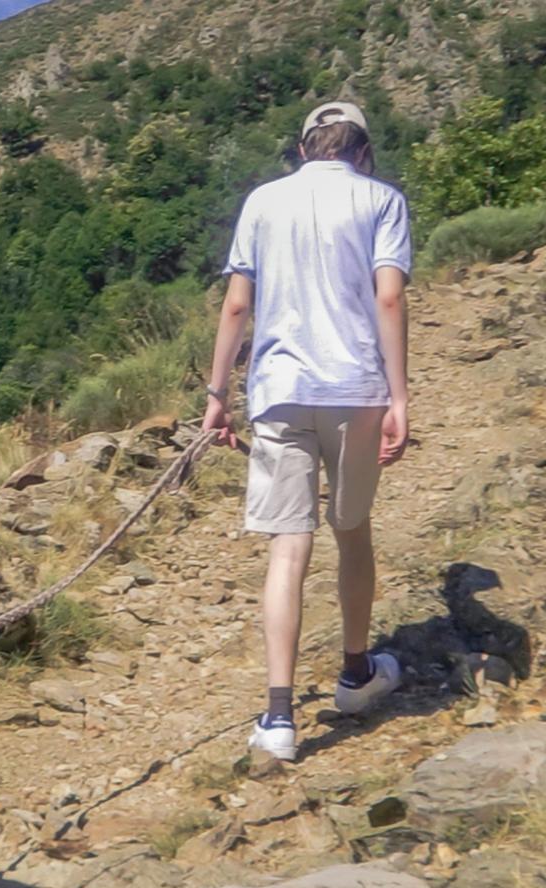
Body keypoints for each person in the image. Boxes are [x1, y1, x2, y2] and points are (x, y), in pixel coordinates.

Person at [203, 99, 412, 763]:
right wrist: (400, 396)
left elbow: (238, 303)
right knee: (351, 531)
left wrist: (216, 398)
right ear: (362, 151)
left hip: (279, 391)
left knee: (288, 548)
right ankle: (355, 674)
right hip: (356, 389)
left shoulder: (263, 202)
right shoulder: (383, 200)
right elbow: (389, 297)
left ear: (302, 150)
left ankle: (279, 716)